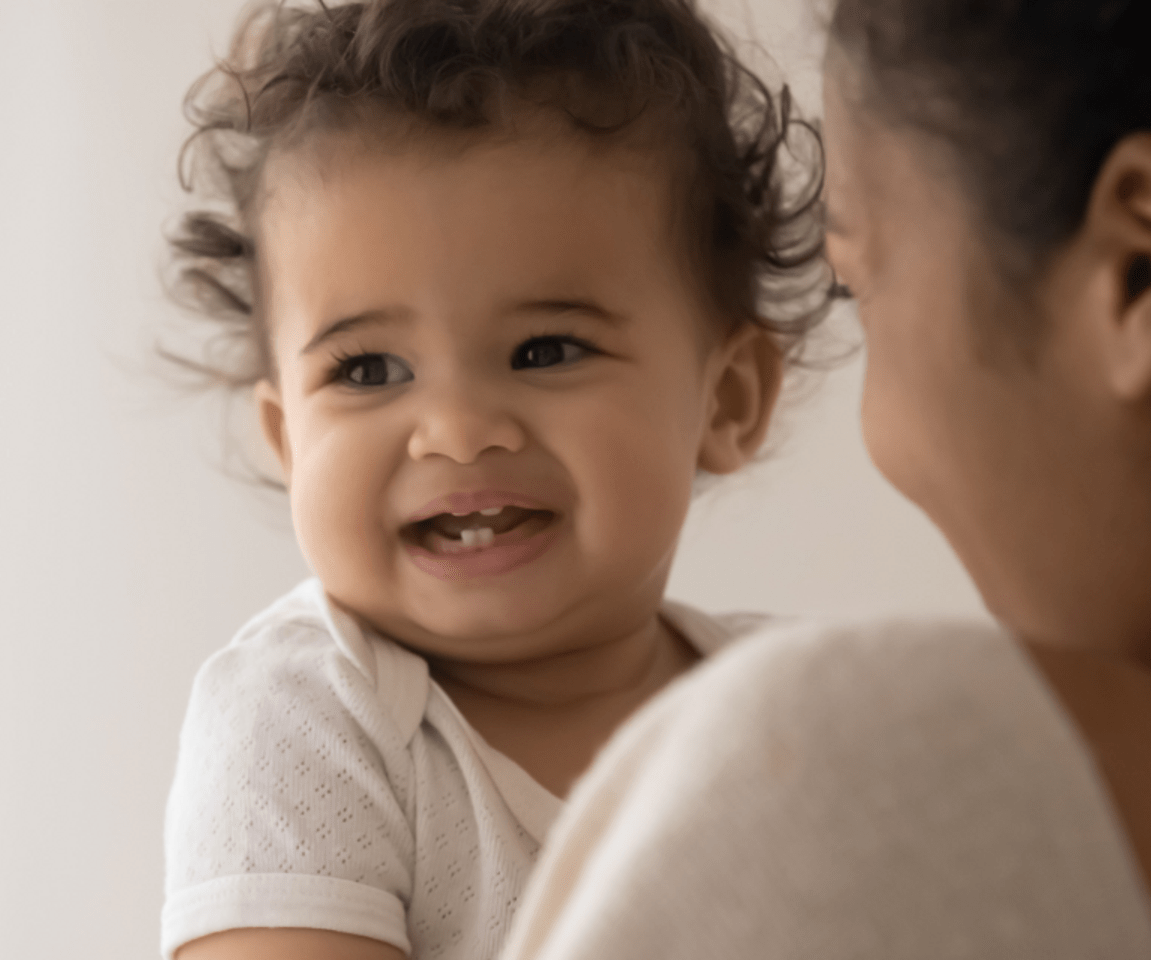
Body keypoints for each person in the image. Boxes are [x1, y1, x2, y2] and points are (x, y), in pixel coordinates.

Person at [158, 1, 832, 958]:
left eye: (545, 350)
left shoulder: (803, 713)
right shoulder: (310, 720)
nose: (459, 432)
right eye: (369, 369)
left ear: (727, 399)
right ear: (289, 439)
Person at [497, 1, 1151, 957]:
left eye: (858, 283)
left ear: (1134, 273)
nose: (457, 436)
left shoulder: (859, 773)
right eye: (367, 369)